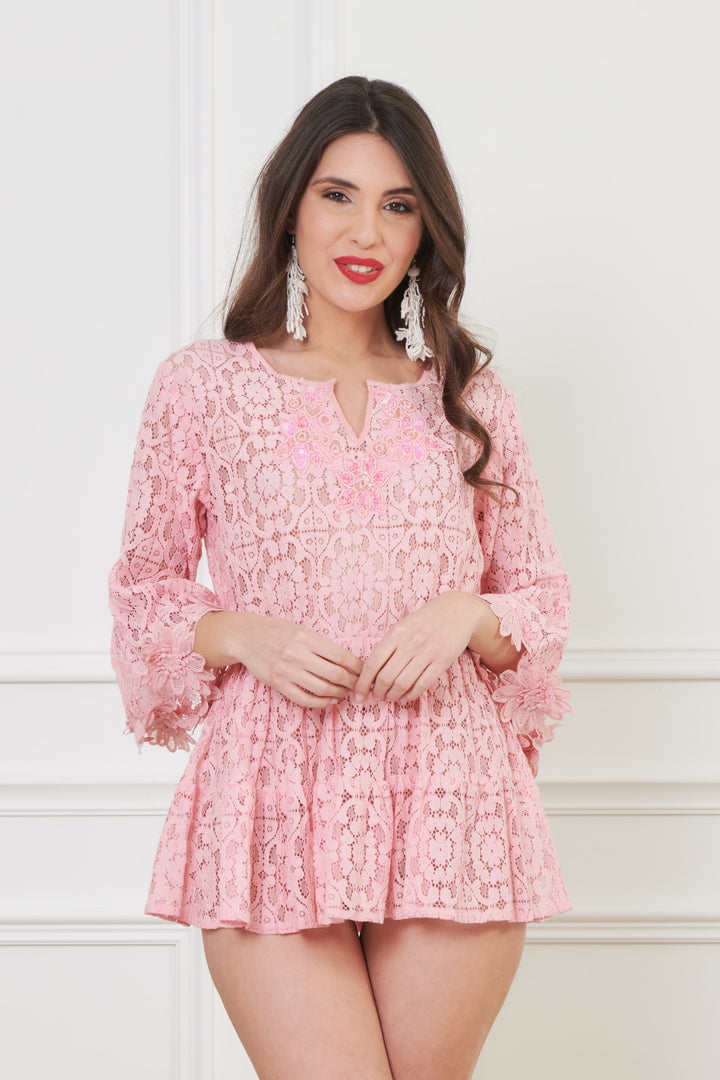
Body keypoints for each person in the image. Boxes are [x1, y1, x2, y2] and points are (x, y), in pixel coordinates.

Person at [109, 76, 572, 1080]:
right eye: (337, 195)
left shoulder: (469, 397)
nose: (366, 231)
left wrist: (465, 613)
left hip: (450, 790)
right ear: (291, 208)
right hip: (269, 791)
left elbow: (541, 602)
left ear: (424, 231)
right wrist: (244, 633)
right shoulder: (202, 387)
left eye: (397, 205)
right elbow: (144, 592)